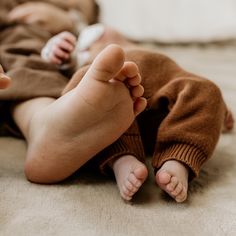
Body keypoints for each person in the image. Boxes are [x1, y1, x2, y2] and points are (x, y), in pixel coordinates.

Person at [38, 25, 234, 203]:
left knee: (208, 90)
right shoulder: (80, 52)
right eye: (98, 34)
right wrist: (55, 48)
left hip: (163, 107)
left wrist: (216, 110)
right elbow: (50, 63)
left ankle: (176, 159)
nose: (107, 33)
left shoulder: (146, 49)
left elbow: (190, 85)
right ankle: (122, 159)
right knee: (87, 91)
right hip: (113, 96)